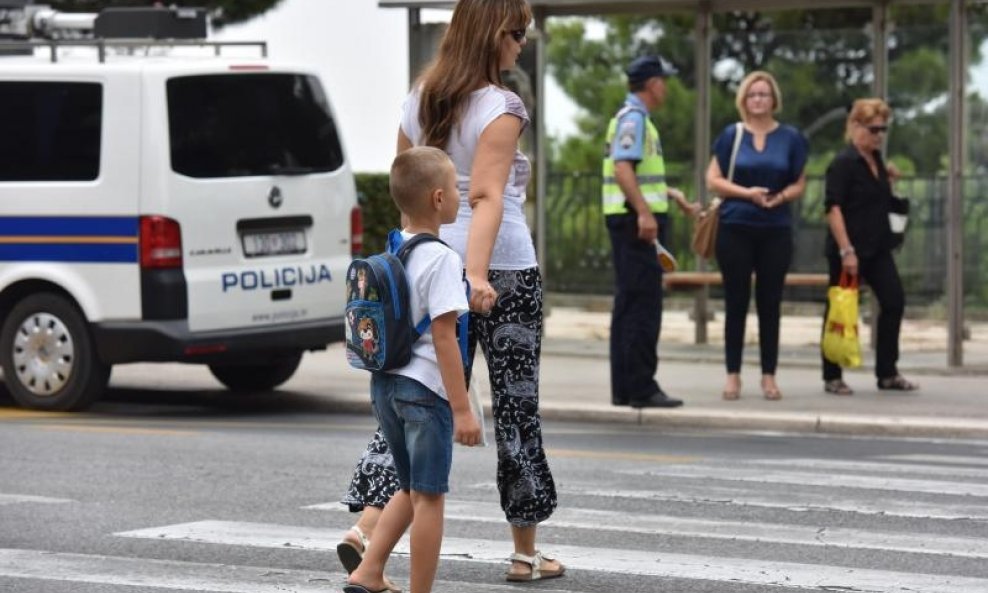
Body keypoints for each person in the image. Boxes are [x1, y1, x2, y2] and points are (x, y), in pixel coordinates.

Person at [340, 0, 565, 584]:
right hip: (503, 271)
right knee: (517, 411)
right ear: (495, 34)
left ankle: (367, 529)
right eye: (518, 33)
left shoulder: (418, 101)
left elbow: (406, 184)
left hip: (427, 265)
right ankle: (524, 554)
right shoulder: (502, 105)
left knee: (422, 396)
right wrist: (479, 274)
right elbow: (488, 195)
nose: (522, 45)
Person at [343, 146, 483, 593]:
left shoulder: (394, 248)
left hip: (385, 385)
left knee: (407, 486)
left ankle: (368, 571)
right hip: (425, 391)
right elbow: (444, 336)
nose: (461, 197)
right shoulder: (442, 258)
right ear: (439, 199)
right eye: (457, 190)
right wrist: (462, 409)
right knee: (430, 498)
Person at [602, 55, 699, 409]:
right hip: (634, 224)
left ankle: (626, 387)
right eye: (664, 81)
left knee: (630, 304)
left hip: (630, 219)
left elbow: (637, 173)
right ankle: (641, 387)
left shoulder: (631, 118)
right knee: (643, 306)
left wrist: (669, 196)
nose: (667, 87)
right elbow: (623, 167)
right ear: (654, 84)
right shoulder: (635, 119)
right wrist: (644, 212)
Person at [705, 71, 808, 401]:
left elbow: (799, 183)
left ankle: (769, 376)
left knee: (770, 303)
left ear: (774, 99)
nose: (759, 99)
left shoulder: (791, 137)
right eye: (753, 94)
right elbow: (713, 179)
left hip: (775, 229)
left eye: (764, 94)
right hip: (736, 228)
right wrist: (747, 194)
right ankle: (732, 374)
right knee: (736, 303)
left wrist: (779, 198)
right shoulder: (731, 135)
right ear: (744, 101)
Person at [821, 98, 918, 395]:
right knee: (839, 308)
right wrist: (846, 250)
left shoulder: (875, 162)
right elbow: (833, 208)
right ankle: (832, 374)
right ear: (855, 127)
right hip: (850, 249)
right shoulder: (843, 163)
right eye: (873, 129)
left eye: (882, 129)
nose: (878, 135)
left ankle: (887, 371)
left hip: (877, 247)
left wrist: (888, 181)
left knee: (894, 301)